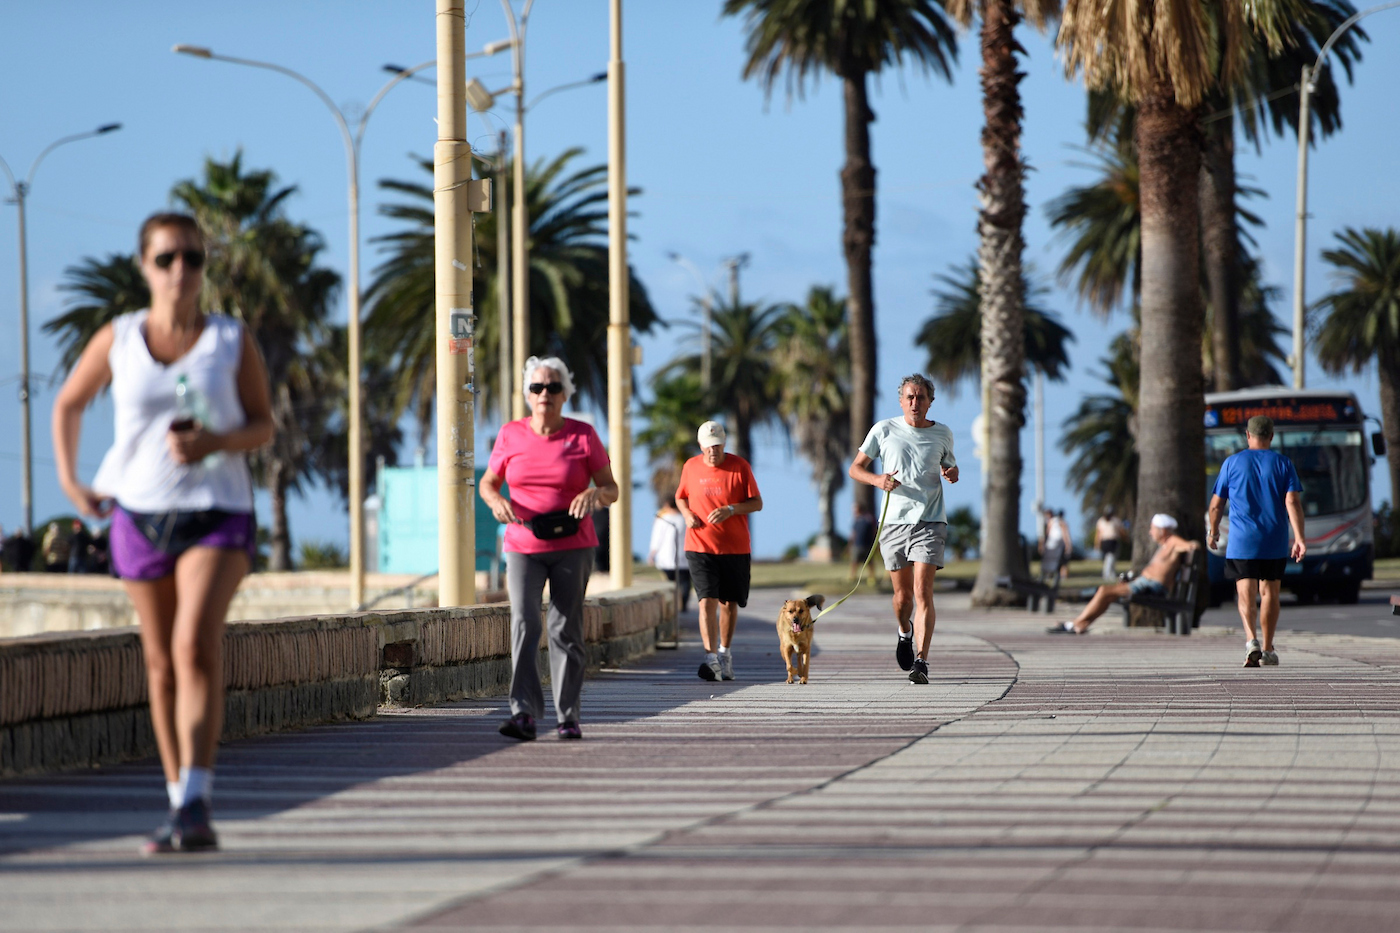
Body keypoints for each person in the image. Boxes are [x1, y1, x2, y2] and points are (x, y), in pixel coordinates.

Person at [51, 212, 274, 854]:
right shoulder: (119, 338)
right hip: (138, 515)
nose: (181, 270)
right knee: (158, 660)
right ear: (144, 266)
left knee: (193, 646)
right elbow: (68, 403)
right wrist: (71, 482)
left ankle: (198, 797)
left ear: (204, 268)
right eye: (167, 258)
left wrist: (214, 443)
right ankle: (179, 802)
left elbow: (263, 425)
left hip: (216, 512)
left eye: (193, 258)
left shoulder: (229, 339)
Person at [480, 356, 618, 741]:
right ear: (528, 394)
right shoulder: (510, 435)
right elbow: (488, 482)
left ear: (565, 395)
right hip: (523, 543)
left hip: (574, 545)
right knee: (525, 622)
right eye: (537, 387)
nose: (545, 393)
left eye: (554, 387)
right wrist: (495, 501)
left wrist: (595, 493)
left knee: (565, 628)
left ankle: (568, 717)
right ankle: (523, 714)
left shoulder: (583, 436)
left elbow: (612, 489)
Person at [848, 374, 959, 685]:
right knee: (902, 598)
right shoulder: (884, 430)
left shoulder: (943, 433)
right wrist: (877, 480)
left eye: (921, 397)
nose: (915, 402)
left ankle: (921, 661)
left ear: (930, 402)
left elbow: (949, 465)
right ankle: (904, 631)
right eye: (910, 397)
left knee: (923, 591)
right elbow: (855, 468)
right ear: (900, 401)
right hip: (894, 524)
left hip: (930, 521)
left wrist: (952, 472)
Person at [1207, 415, 1306, 667]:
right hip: (1274, 540)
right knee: (1270, 592)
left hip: (1242, 541)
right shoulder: (1283, 463)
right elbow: (1292, 502)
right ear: (1271, 436)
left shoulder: (1232, 463)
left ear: (1248, 435)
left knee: (1245, 592)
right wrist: (1299, 538)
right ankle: (1269, 648)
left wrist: (1213, 531)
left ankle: (1251, 639)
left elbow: (1216, 505)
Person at [675, 421, 763, 682]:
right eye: (708, 446)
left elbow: (757, 503)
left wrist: (731, 509)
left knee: (729, 604)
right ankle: (710, 657)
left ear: (724, 443)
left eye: (716, 445)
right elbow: (681, 496)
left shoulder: (740, 467)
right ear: (700, 445)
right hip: (699, 546)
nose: (712, 450)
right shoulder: (690, 466)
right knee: (706, 601)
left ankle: (724, 653)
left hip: (734, 548)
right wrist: (686, 514)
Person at [1047, 514, 1198, 634]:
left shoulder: (1172, 541)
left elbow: (1192, 545)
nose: (1150, 532)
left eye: (1152, 529)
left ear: (1162, 530)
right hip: (1144, 583)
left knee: (1104, 590)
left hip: (1152, 587)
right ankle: (1081, 624)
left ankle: (1075, 624)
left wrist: (1192, 545)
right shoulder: (1165, 545)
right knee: (1107, 594)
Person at [648, 494, 691, 612]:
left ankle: (672, 606)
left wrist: (652, 554)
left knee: (670, 584)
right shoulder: (684, 519)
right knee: (684, 582)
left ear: (667, 505)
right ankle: (683, 605)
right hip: (684, 558)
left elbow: (657, 539)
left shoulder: (662, 520)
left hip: (666, 559)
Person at [1095, 505, 1127, 580]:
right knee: (1108, 558)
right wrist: (1097, 543)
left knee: (1111, 558)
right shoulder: (1101, 521)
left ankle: (1110, 573)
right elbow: (1098, 533)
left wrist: (1125, 538)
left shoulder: (1116, 521)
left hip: (1113, 542)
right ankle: (1107, 574)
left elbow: (1121, 531)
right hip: (1105, 542)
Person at [848, 502, 878, 584]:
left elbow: (874, 531)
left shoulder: (869, 518)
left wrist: (875, 543)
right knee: (854, 562)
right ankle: (852, 576)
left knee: (869, 562)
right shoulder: (856, 520)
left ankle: (871, 577)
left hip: (867, 544)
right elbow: (854, 533)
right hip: (857, 545)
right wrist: (850, 543)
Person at [1038, 507, 1064, 584]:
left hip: (1053, 545)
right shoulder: (1051, 522)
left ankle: (1051, 576)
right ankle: (1046, 576)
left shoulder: (1054, 522)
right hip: (1051, 545)